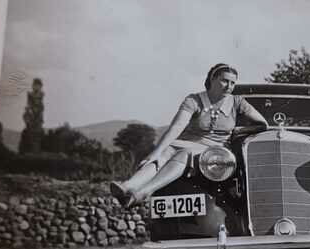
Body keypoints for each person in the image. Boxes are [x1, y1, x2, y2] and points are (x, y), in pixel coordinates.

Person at [110, 63, 268, 207]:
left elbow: (263, 124)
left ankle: (143, 193)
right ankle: (127, 187)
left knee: (186, 154)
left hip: (212, 151)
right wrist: (155, 153)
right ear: (212, 79)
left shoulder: (237, 102)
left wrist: (239, 131)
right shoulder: (194, 100)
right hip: (184, 142)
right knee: (163, 154)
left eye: (232, 83)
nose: (229, 86)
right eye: (224, 81)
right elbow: (177, 126)